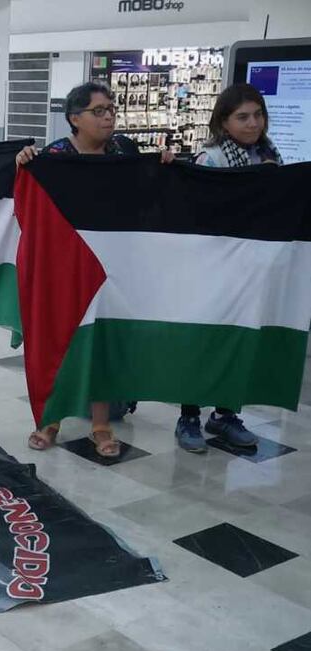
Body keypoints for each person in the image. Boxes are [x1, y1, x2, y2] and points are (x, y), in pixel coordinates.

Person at [15, 82, 174, 458]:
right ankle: (52, 418)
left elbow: (145, 194)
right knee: (62, 337)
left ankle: (101, 423)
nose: (109, 117)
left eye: (111, 109)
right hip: (66, 265)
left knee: (104, 337)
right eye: (98, 111)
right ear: (74, 118)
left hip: (114, 263)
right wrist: (23, 160)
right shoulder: (53, 157)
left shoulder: (124, 150)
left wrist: (164, 168)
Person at [170, 83, 277, 453]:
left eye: (258, 115)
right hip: (210, 268)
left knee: (238, 340)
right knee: (203, 342)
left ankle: (226, 413)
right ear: (224, 122)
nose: (253, 124)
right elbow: (197, 213)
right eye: (242, 117)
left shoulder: (269, 156)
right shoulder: (211, 159)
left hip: (249, 269)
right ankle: (189, 416)